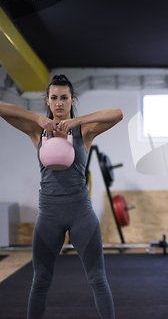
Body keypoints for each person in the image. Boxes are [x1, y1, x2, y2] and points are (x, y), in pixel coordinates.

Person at [0, 74, 123, 319]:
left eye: (64, 98)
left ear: (71, 100)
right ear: (47, 100)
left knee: (98, 279)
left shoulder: (84, 132)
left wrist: (77, 120)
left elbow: (117, 113)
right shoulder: (38, 132)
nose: (59, 103)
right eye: (54, 98)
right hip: (49, 216)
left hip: (81, 214)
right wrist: (36, 117)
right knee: (40, 281)